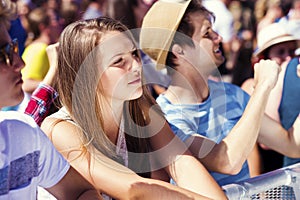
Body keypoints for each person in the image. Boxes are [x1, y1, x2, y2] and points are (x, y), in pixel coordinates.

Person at [40, 16, 227, 199]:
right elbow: (133, 189)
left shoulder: (141, 108)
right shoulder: (60, 129)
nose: (136, 66)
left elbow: (181, 163)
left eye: (134, 54)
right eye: (119, 61)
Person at [140, 0, 300, 186]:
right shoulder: (166, 119)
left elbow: (291, 145)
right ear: (179, 51)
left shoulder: (232, 94)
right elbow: (226, 161)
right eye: (207, 33)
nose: (219, 38)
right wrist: (263, 86)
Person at [0, 1, 102, 199]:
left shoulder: (24, 132)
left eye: (13, 48)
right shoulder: (38, 50)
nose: (19, 63)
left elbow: (82, 191)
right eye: (4, 55)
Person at [241, 22, 299, 174]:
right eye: (280, 52)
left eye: (292, 52)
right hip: (269, 172)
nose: (288, 58)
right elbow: (259, 146)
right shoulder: (249, 87)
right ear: (262, 59)